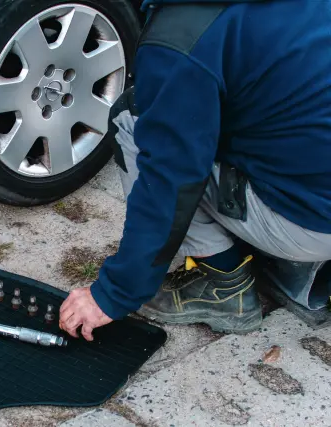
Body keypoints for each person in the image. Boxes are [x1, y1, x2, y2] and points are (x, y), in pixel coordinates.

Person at [59, 0, 331, 340]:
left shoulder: (180, 39)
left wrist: (113, 294)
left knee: (132, 118)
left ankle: (224, 284)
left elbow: (170, 181)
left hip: (311, 223)